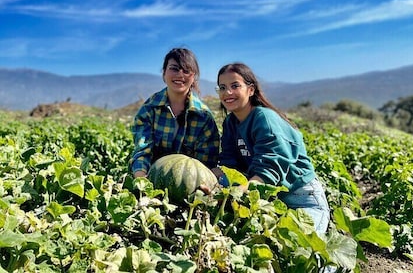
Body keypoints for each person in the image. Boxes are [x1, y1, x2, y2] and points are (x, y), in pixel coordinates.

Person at [212, 62, 330, 234]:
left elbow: (268, 173)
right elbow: (229, 166)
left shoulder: (264, 118)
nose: (227, 92)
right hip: (270, 199)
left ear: (250, 90)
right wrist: (204, 178)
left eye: (235, 86)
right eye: (222, 87)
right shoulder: (230, 123)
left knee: (301, 251)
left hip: (302, 197)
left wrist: (235, 192)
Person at [129, 48, 220, 179]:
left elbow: (205, 165)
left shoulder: (204, 117)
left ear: (193, 77)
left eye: (186, 70)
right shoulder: (149, 110)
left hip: (192, 185)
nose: (180, 74)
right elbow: (142, 152)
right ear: (164, 73)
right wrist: (142, 181)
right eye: (174, 68)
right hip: (151, 177)